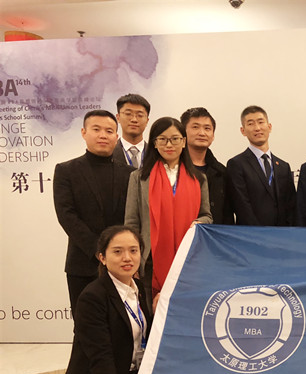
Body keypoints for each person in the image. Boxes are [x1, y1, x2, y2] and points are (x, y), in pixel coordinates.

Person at [55, 225, 153, 374]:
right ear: (102, 257)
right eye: (117, 251)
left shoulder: (138, 289)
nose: (127, 258)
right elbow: (101, 359)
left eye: (133, 250)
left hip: (128, 373)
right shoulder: (93, 297)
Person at [124, 117, 212, 301]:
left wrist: (199, 222)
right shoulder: (139, 178)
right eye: (162, 139)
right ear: (155, 143)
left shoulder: (199, 178)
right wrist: (133, 257)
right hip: (150, 260)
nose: (169, 145)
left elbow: (206, 216)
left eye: (175, 139)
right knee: (152, 312)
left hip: (188, 259)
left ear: (184, 142)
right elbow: (131, 222)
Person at [53, 110, 133, 311]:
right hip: (83, 263)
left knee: (124, 323)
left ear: (116, 136)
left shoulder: (131, 174)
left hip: (123, 265)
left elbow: (133, 217)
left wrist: (118, 252)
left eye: (109, 131)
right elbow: (66, 215)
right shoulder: (66, 170)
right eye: (96, 129)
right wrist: (99, 250)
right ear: (84, 132)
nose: (103, 135)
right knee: (85, 323)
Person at [226, 105, 296, 226]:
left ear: (269, 127)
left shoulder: (283, 167)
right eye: (250, 124)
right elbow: (242, 206)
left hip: (282, 234)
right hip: (251, 233)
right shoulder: (236, 164)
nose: (257, 128)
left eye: (260, 122)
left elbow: (291, 205)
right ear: (243, 131)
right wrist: (259, 233)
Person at [180, 107, 233, 224]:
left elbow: (227, 215)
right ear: (183, 133)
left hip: (215, 234)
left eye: (207, 128)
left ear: (213, 135)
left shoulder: (221, 172)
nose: (202, 133)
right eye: (195, 127)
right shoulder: (173, 168)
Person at [112, 94, 150, 169]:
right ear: (118, 118)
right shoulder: (108, 153)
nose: (134, 120)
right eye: (128, 114)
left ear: (147, 121)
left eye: (140, 115)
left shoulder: (156, 154)